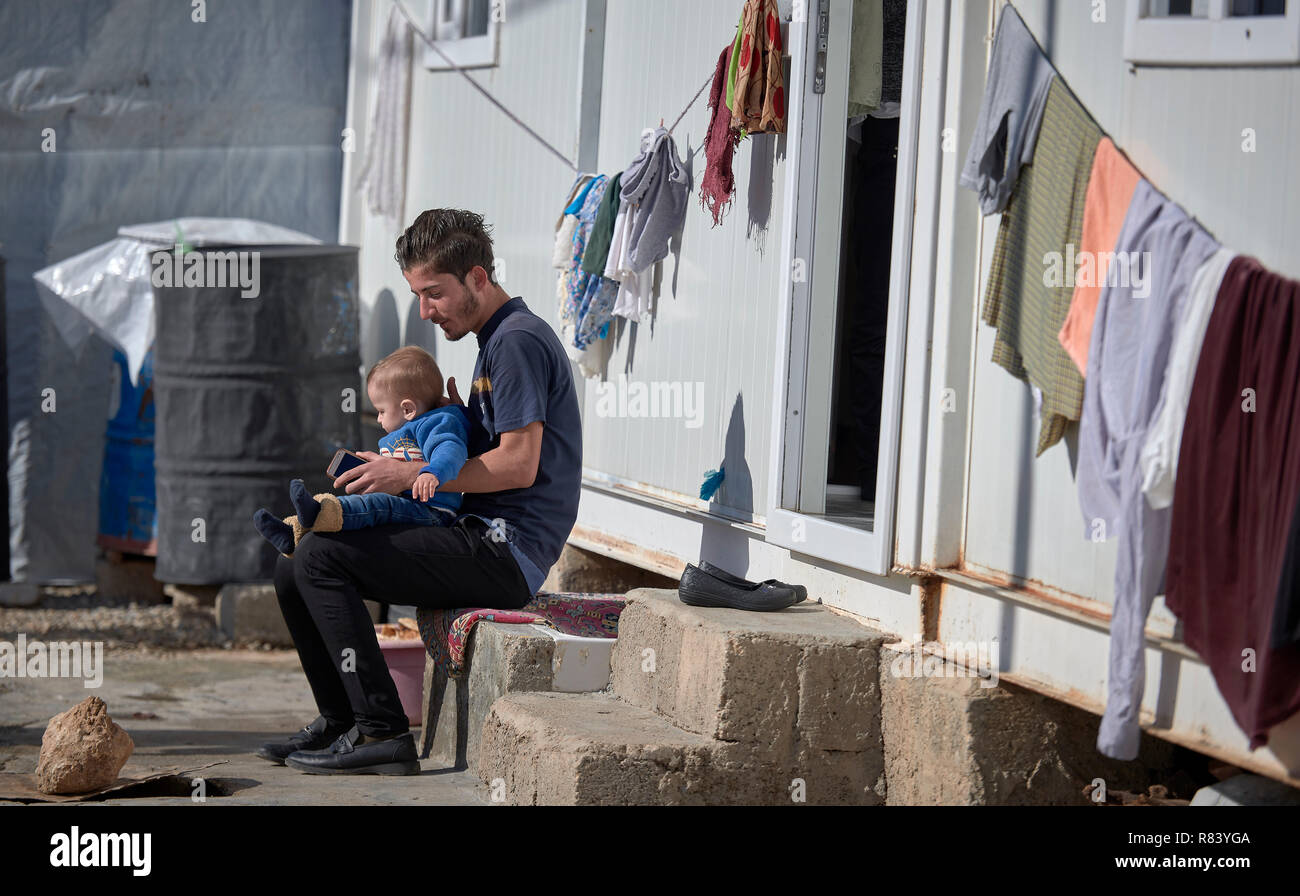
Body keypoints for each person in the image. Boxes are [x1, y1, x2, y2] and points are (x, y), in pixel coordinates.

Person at [258, 209, 584, 775]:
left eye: (434, 294)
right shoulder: (495, 343)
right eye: (418, 295)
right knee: (296, 557)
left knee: (320, 559)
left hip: (506, 554)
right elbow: (488, 451)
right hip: (472, 533)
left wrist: (407, 477)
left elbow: (519, 466)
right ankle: (343, 719)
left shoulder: (517, 343)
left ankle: (384, 734)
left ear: (478, 278)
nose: (424, 311)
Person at [250, 346, 469, 557]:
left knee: (371, 507)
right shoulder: (406, 428)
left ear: (408, 409)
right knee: (365, 506)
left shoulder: (437, 423)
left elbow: (450, 450)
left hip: (433, 512)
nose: (379, 418)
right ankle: (292, 532)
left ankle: (318, 511)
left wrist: (433, 473)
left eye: (381, 411)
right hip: (408, 504)